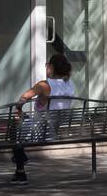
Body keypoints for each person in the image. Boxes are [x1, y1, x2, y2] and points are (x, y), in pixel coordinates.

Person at [11, 54, 76, 183]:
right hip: (56, 130)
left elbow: (22, 99)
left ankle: (20, 171)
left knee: (15, 127)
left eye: (47, 65)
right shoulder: (70, 84)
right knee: (22, 123)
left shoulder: (44, 85)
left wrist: (18, 109)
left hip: (41, 131)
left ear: (51, 67)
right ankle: (21, 159)